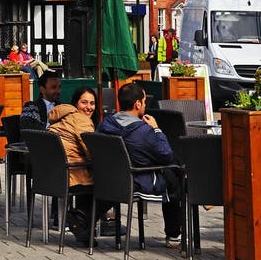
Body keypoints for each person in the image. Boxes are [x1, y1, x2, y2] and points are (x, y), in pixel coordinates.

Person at [98, 81, 182, 247]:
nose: (145, 105)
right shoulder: (144, 131)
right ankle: (173, 235)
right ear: (137, 104)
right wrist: (157, 129)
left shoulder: (105, 124)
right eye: (144, 101)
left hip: (111, 180)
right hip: (139, 180)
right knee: (174, 176)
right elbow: (166, 154)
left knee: (176, 167)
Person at [48, 87, 111, 245]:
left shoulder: (61, 117)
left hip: (52, 176)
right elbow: (92, 151)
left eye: (92, 103)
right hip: (71, 174)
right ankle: (80, 218)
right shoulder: (81, 120)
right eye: (84, 102)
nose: (89, 107)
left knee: (93, 173)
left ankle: (82, 223)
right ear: (75, 103)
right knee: (112, 184)